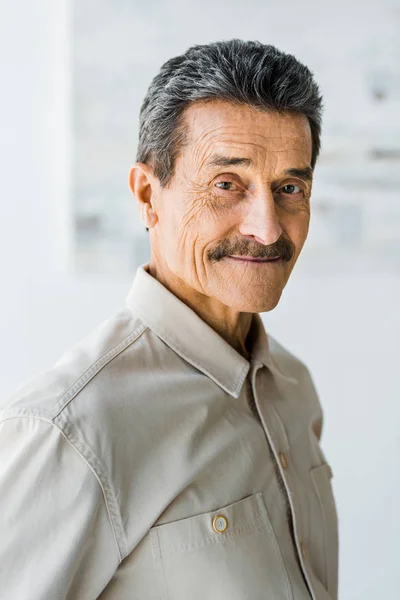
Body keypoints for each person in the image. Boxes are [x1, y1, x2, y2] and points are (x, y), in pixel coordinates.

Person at [0, 39, 339, 599]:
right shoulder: (70, 430)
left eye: (289, 189)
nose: (268, 227)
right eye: (227, 184)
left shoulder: (294, 388)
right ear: (146, 194)